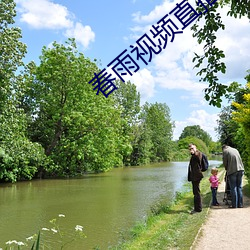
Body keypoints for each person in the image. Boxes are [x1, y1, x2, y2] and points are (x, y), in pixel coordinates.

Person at [188, 143, 204, 214]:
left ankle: (198, 209)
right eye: (190, 149)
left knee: (196, 192)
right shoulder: (194, 155)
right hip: (195, 176)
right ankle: (197, 208)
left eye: (192, 148)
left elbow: (198, 158)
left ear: (195, 148)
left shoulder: (198, 154)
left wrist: (194, 152)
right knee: (196, 192)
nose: (191, 150)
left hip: (196, 176)